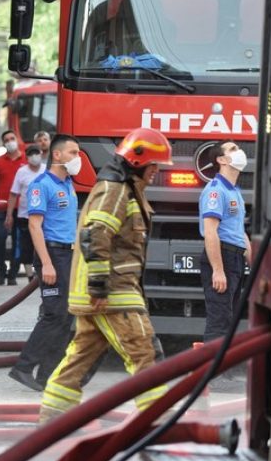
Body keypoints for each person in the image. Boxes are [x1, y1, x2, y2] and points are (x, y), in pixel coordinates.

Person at [38, 128, 172, 424]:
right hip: (113, 293)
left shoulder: (125, 190)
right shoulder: (115, 190)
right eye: (154, 165)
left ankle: (52, 420)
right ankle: (159, 423)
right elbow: (96, 234)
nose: (157, 172)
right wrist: (98, 287)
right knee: (144, 351)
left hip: (110, 292)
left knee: (79, 359)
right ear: (138, 162)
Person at [8, 136, 80, 392]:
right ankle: (24, 367)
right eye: (73, 152)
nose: (77, 157)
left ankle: (47, 375)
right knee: (53, 314)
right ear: (57, 155)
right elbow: (34, 225)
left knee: (65, 316)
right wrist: (47, 264)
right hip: (52, 254)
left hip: (68, 255)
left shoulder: (68, 183)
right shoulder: (42, 185)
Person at [199, 140, 251, 343]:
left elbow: (240, 233)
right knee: (219, 321)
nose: (240, 152)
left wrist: (254, 266)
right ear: (221, 160)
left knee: (229, 320)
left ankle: (222, 371)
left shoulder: (234, 192)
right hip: (223, 258)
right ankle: (214, 372)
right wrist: (218, 270)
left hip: (235, 259)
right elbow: (211, 232)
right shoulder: (215, 190)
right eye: (233, 149)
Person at [0, 129, 26, 286]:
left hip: (22, 207)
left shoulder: (26, 159)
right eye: (7, 139)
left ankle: (13, 273)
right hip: (1, 206)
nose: (10, 141)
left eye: (12, 138)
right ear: (3, 143)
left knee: (19, 241)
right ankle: (1, 270)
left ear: (17, 140)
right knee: (1, 237)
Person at [5, 144, 46, 280]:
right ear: (27, 157)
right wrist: (9, 214)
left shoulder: (46, 170)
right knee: (27, 245)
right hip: (25, 215)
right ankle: (30, 275)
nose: (34, 157)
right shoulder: (22, 172)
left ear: (41, 154)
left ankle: (43, 270)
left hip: (44, 215)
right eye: (31, 154)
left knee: (43, 244)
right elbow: (13, 194)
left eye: (36, 153)